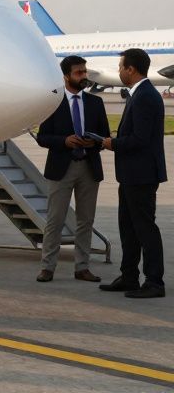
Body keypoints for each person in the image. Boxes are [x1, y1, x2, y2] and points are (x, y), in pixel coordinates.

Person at [34, 55, 108, 282]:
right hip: (61, 168)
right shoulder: (53, 103)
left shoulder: (95, 103)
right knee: (55, 220)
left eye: (84, 71)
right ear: (65, 76)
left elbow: (105, 136)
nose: (83, 76)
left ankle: (82, 267)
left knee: (86, 220)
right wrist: (64, 141)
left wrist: (93, 142)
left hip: (89, 166)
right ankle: (48, 267)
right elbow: (42, 137)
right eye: (78, 73)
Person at [100, 48, 167, 298]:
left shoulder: (146, 97)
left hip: (142, 174)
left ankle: (154, 282)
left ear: (131, 69)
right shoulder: (138, 95)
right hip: (131, 174)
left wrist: (112, 143)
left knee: (145, 228)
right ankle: (129, 276)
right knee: (128, 227)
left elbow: (140, 139)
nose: (119, 71)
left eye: (121, 67)